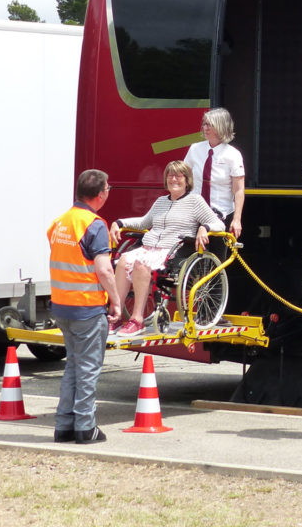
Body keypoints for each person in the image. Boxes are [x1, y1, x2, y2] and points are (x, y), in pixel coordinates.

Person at [109, 160, 225, 337]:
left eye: (178, 175)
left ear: (187, 180)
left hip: (173, 250)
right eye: (170, 175)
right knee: (123, 261)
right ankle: (115, 315)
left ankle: (137, 319)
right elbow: (143, 222)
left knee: (141, 264)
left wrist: (205, 228)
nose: (174, 179)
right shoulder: (161, 201)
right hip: (149, 246)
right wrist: (119, 223)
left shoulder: (195, 201)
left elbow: (218, 224)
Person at [48, 169, 122, 444]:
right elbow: (104, 270)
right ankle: (85, 428)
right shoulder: (95, 224)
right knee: (88, 369)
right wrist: (115, 301)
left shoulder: (61, 222)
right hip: (87, 307)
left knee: (73, 367)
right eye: (108, 189)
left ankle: (64, 426)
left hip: (62, 306)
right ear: (101, 194)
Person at [184, 108, 246, 239]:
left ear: (221, 126)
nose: (205, 128)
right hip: (195, 210)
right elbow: (184, 178)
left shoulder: (233, 154)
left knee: (217, 256)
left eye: (210, 125)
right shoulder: (195, 149)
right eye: (204, 124)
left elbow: (239, 190)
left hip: (221, 212)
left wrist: (237, 219)